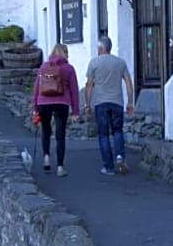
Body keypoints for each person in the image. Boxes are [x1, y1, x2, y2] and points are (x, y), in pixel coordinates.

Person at [84, 35, 134, 175]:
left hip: (101, 103)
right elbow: (128, 82)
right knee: (117, 131)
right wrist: (130, 102)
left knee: (104, 134)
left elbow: (89, 85)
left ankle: (108, 167)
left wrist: (87, 104)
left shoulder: (94, 63)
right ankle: (120, 156)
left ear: (100, 48)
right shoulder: (120, 63)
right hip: (117, 102)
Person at [32, 43, 80, 177]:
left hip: (43, 102)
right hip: (61, 103)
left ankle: (46, 157)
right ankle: (60, 167)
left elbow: (37, 88)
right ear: (65, 53)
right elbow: (74, 91)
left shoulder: (43, 67)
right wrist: (76, 111)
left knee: (46, 131)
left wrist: (35, 107)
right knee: (60, 135)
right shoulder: (69, 68)